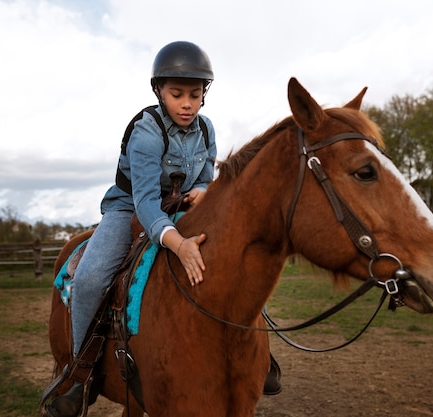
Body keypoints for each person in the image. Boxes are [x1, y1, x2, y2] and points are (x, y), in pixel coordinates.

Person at [45, 41, 280, 417]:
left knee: (236, 260)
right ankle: (79, 370)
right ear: (159, 91)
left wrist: (201, 193)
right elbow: (145, 205)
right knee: (90, 278)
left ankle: (257, 354)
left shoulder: (206, 129)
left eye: (195, 94)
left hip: (179, 208)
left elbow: (206, 177)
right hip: (131, 209)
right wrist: (179, 245)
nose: (187, 103)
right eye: (176, 94)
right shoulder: (146, 132)